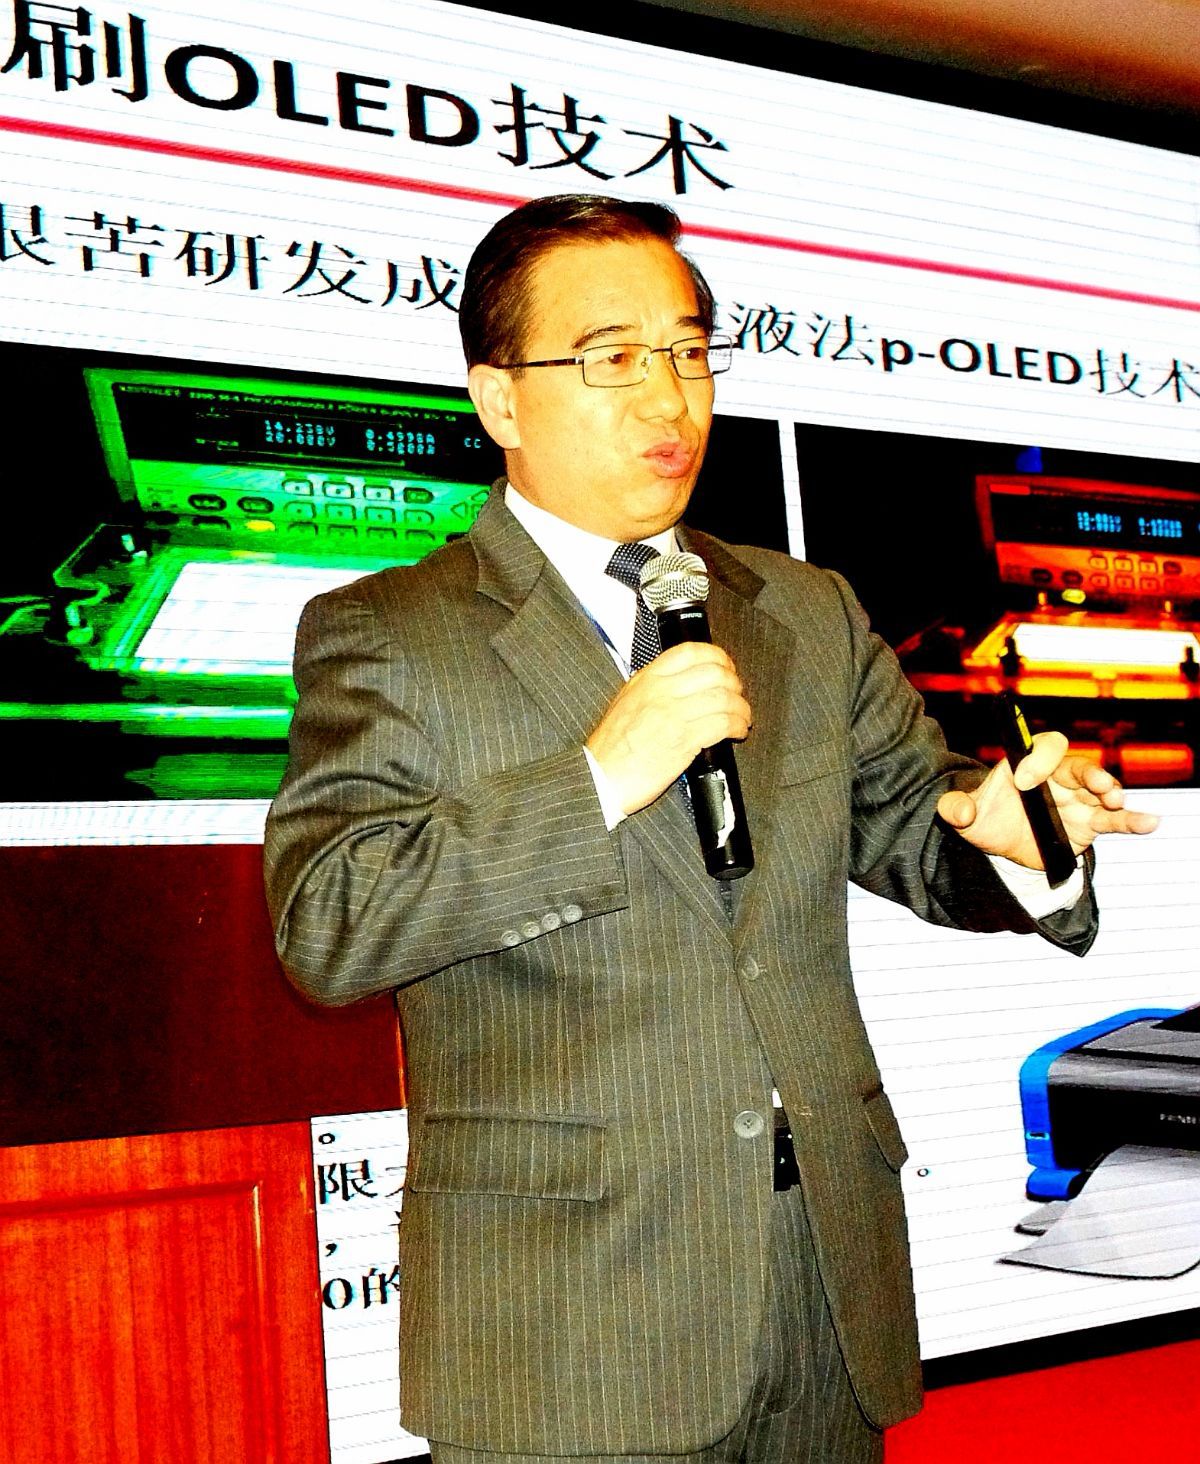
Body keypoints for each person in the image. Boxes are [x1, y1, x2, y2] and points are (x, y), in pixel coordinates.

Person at [264, 194, 1157, 1464]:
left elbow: (915, 822)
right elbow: (332, 924)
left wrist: (1014, 841)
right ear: (500, 399)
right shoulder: (391, 631)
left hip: (822, 1282)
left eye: (688, 352)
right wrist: (597, 778)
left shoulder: (800, 607)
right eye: (613, 357)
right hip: (571, 1316)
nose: (667, 395)